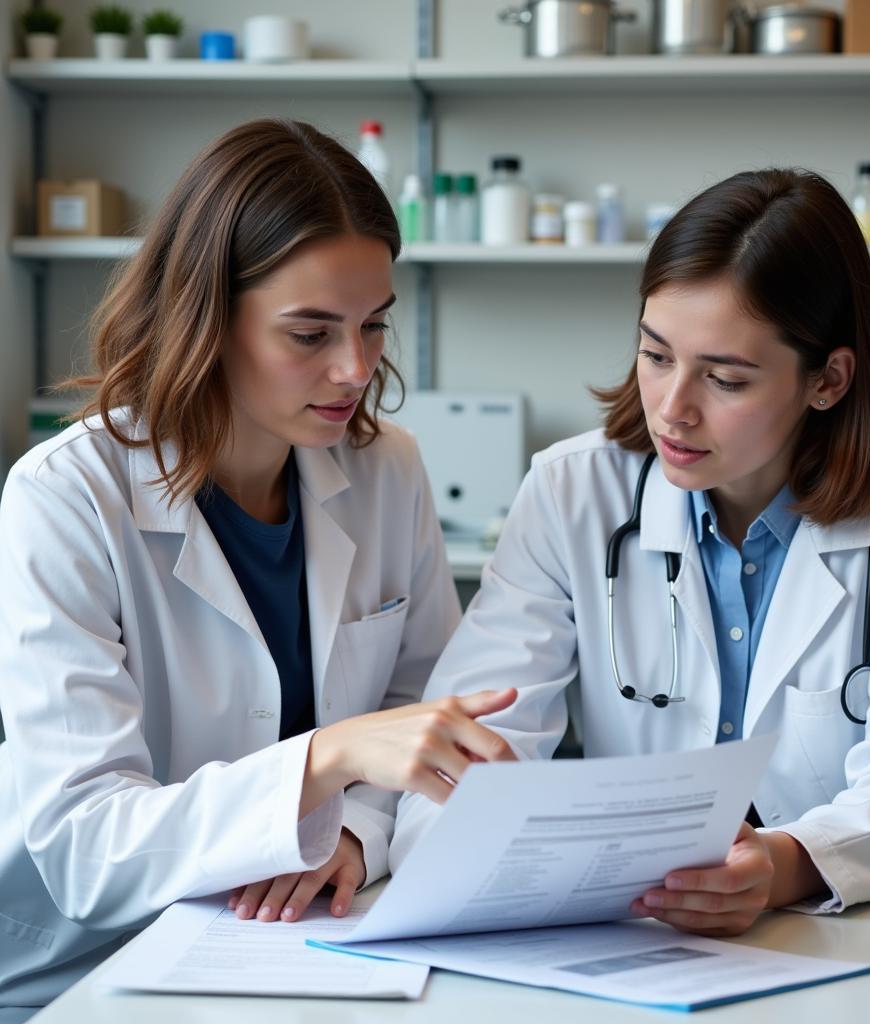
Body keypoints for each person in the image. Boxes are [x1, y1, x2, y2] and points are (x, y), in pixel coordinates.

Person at [391, 168, 870, 1016]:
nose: (672, 411)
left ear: (828, 380)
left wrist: (785, 862)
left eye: (726, 379)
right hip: (645, 939)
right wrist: (457, 879)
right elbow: (473, 743)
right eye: (655, 355)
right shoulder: (573, 493)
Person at [0, 118, 516, 1020]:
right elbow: (87, 848)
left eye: (372, 326)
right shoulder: (66, 495)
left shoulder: (385, 467)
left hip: (301, 937)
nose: (354, 368)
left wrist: (352, 832)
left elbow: (425, 723)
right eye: (310, 332)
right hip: (85, 967)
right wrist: (328, 759)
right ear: (204, 313)